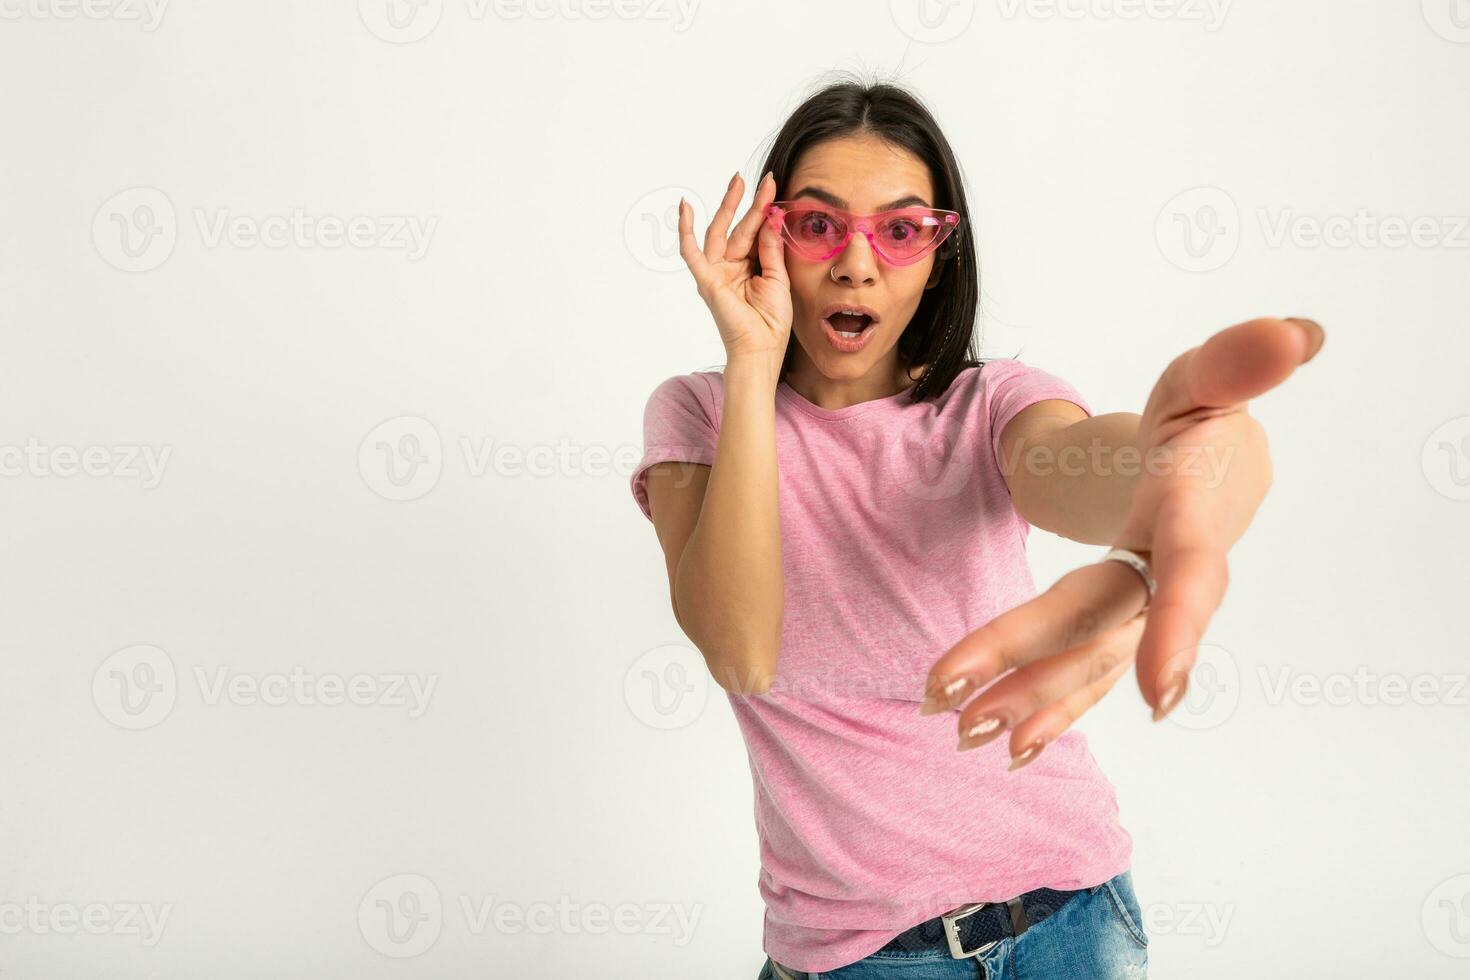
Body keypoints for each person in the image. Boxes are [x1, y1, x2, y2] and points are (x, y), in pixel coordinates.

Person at [629, 78, 1324, 979]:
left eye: (902, 229)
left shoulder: (991, 406)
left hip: (1074, 920)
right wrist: (754, 362)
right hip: (861, 956)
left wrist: (1193, 463)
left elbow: (1091, 470)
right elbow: (740, 651)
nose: (857, 262)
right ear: (769, 235)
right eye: (817, 224)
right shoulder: (701, 414)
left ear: (940, 254)